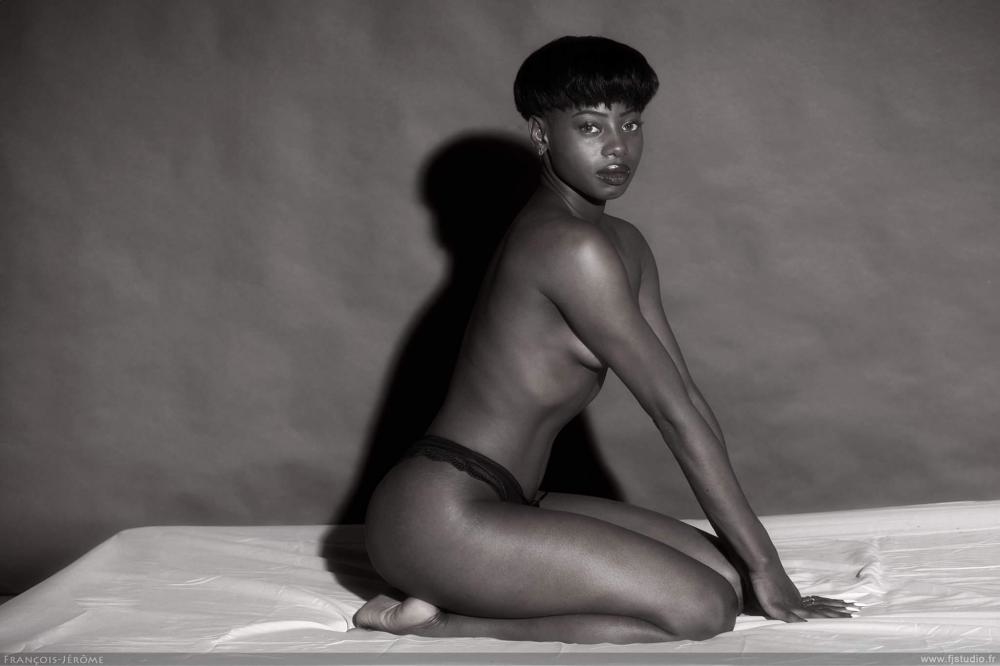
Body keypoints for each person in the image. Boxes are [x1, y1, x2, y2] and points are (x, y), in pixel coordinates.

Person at [354, 35, 854, 644]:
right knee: (703, 610)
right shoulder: (569, 247)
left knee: (729, 577)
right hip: (439, 515)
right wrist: (770, 566)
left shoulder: (624, 243)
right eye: (590, 127)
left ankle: (439, 603)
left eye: (631, 124)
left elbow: (686, 399)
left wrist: (755, 566)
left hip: (516, 499)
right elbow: (670, 415)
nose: (618, 147)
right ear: (541, 134)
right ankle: (433, 621)